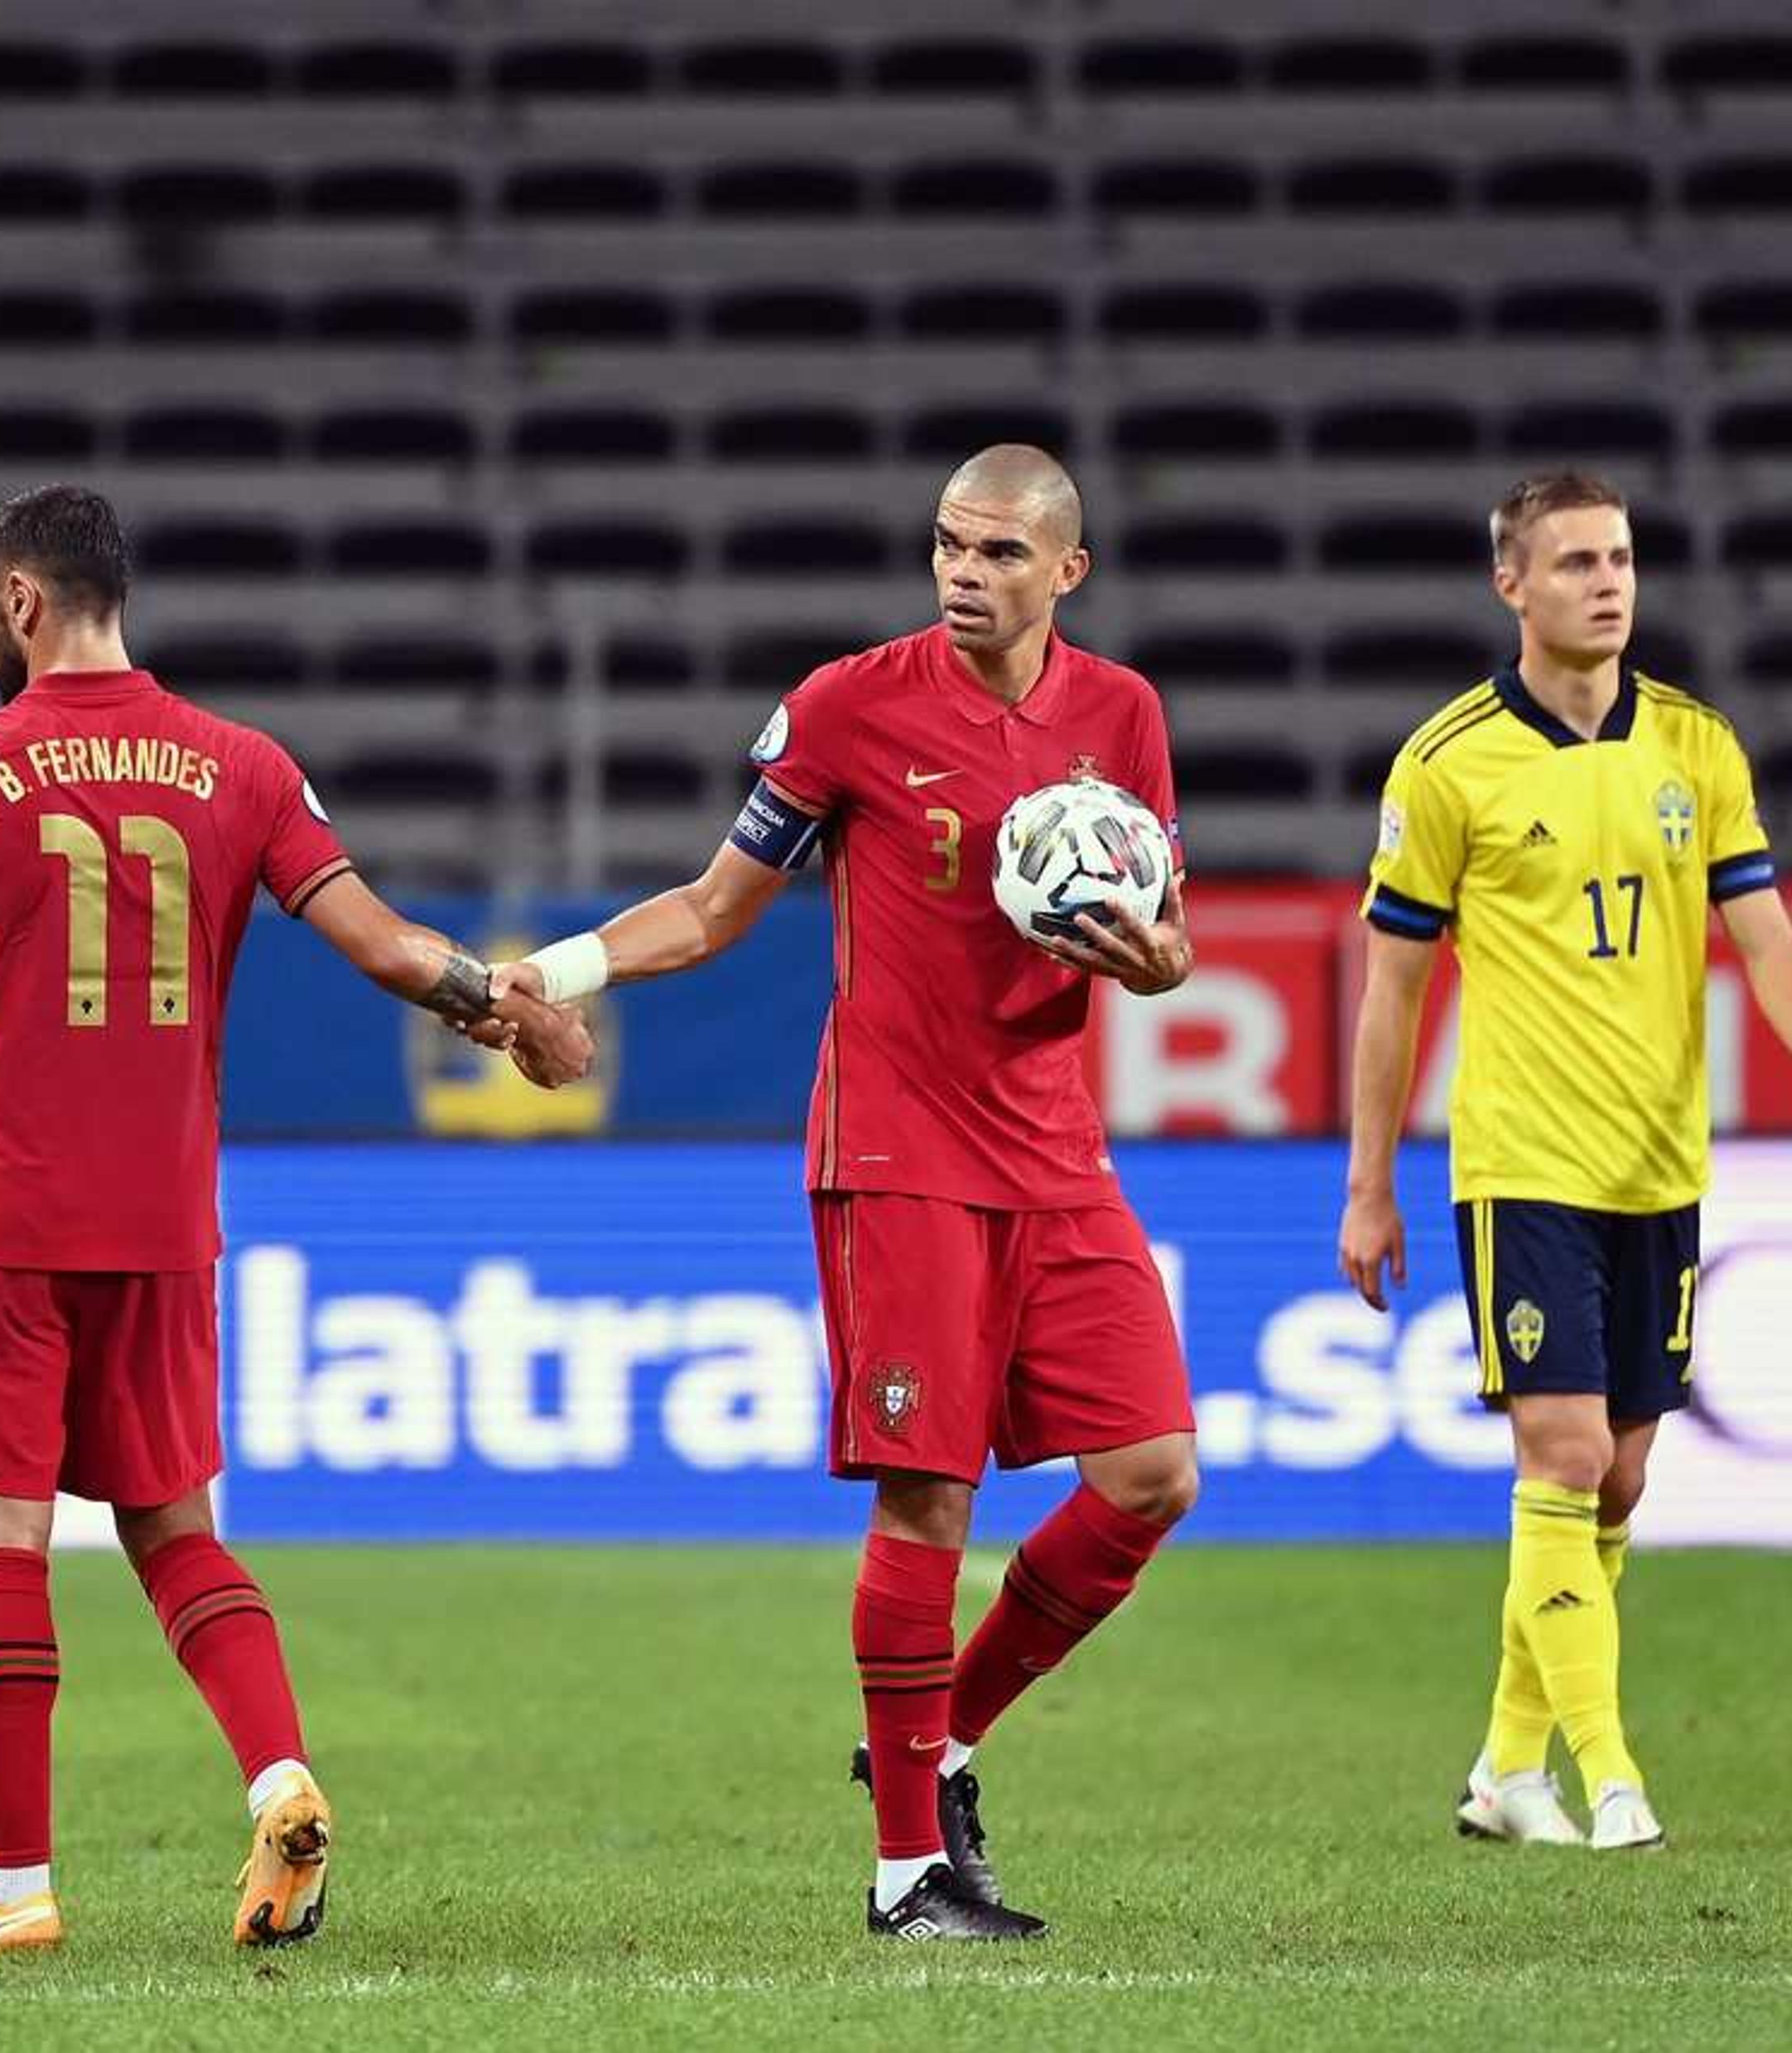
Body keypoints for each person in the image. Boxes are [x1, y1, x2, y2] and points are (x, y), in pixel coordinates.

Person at [0, 485, 587, 1958]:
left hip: (6, 1211)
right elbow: (389, 946)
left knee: (3, 1542)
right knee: (176, 1530)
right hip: (162, 1215)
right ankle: (278, 1774)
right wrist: (502, 1002)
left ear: (23, 601)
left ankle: (14, 1887)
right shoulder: (244, 763)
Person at [486, 447, 1198, 1942]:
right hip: (901, 1150)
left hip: (1059, 1155)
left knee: (1151, 1476)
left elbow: (1169, 927)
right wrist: (551, 972)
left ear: (1067, 570)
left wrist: (1157, 960)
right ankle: (905, 1872)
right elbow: (710, 905)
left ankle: (938, 1737)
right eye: (947, 543)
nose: (961, 572)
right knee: (927, 1494)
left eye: (999, 552)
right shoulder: (849, 705)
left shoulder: (1120, 715)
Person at [1338, 471, 1792, 1854]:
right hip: (1521, 1155)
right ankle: (1609, 1768)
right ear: (1512, 585)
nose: (1607, 581)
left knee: (1619, 1480)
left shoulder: (1696, 744)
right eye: (1574, 561)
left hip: (1659, 1160)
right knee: (1563, 1448)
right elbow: (1393, 990)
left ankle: (1505, 1764)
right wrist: (1368, 1179)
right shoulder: (1448, 763)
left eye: (1619, 557)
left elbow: (1762, 929)